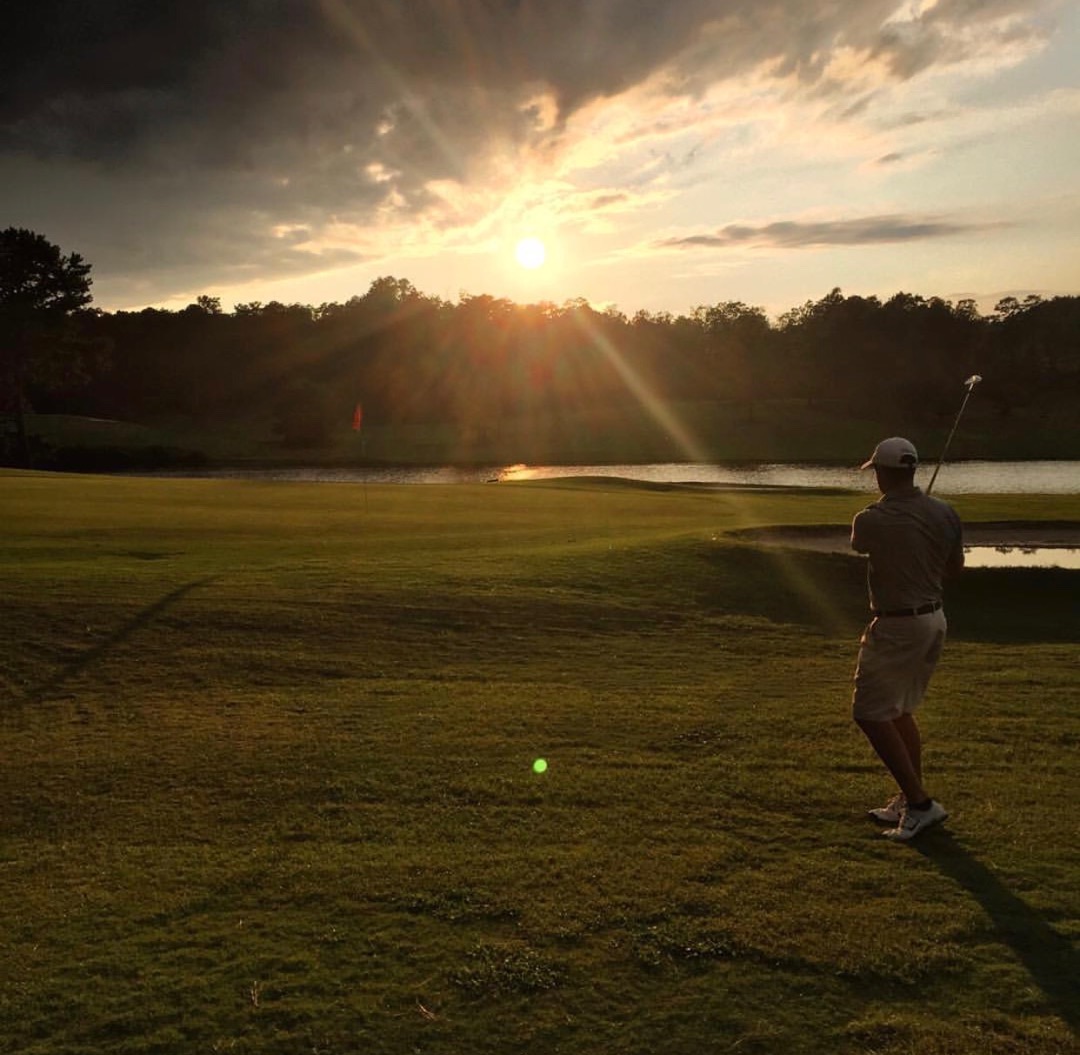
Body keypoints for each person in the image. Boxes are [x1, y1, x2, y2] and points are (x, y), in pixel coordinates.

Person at [850, 437, 964, 841]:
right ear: (913, 470)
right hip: (933, 620)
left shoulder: (871, 518)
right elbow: (954, 568)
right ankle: (908, 797)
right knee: (899, 711)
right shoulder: (945, 512)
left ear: (881, 474)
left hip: (898, 626)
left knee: (869, 713)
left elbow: (860, 545)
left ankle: (920, 805)